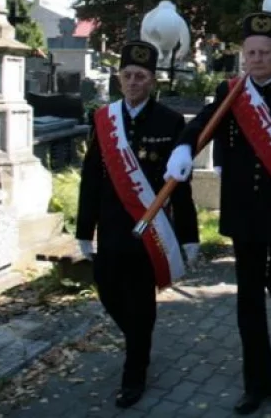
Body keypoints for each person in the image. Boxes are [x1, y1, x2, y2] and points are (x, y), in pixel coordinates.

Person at [165, 11, 271, 415]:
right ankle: (257, 384)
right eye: (250, 53)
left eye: (264, 52)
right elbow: (203, 123)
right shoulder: (232, 92)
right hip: (244, 213)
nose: (256, 59)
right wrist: (184, 146)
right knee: (248, 302)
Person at [76, 40, 199, 409]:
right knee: (107, 290)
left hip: (150, 230)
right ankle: (138, 340)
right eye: (127, 75)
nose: (133, 82)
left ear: (152, 81)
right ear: (119, 78)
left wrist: (189, 237)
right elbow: (91, 178)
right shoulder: (104, 119)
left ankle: (135, 372)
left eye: (141, 76)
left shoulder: (170, 121)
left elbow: (179, 185)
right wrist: (84, 230)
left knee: (141, 301)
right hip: (112, 225)